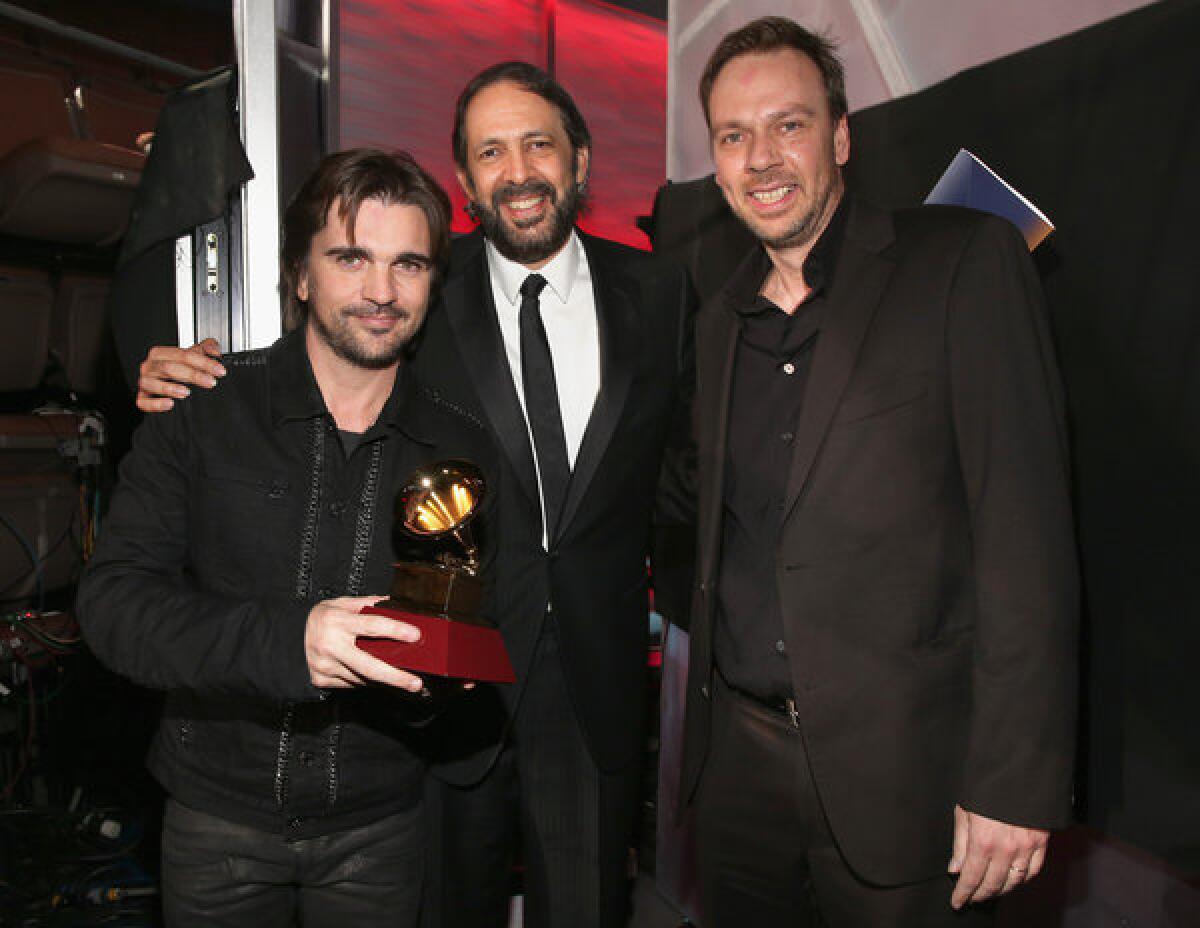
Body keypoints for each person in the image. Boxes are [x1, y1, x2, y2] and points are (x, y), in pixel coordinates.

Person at [134, 62, 694, 928]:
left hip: (595, 681)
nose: (519, 171)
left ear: (580, 159)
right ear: (467, 181)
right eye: (490, 152)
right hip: (436, 691)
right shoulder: (417, 283)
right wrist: (191, 369)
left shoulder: (661, 292)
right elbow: (325, 344)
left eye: (539, 143)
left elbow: (679, 470)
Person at [677, 17, 1079, 927]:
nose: (762, 157)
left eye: (789, 124)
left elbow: (1028, 537)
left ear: (842, 135)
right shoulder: (715, 324)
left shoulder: (961, 263)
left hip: (911, 779)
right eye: (734, 136)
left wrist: (1014, 780)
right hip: (739, 776)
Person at [77, 149, 497, 927]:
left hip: (382, 830)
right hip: (215, 824)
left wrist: (447, 677)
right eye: (350, 258)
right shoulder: (202, 407)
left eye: (407, 264)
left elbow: (463, 643)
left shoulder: (460, 451)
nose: (380, 291)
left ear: (433, 284)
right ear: (300, 275)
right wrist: (286, 642)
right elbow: (112, 604)